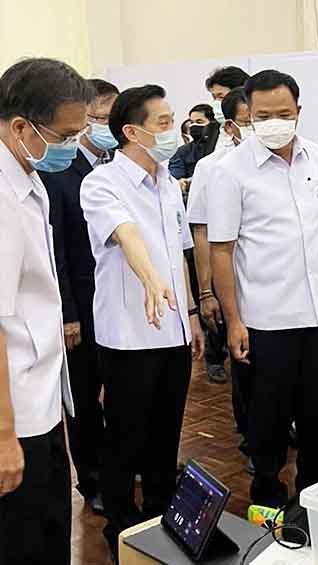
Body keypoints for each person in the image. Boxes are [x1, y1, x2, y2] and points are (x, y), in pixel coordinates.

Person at [208, 70, 318, 508]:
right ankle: (267, 494)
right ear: (248, 115)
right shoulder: (230, 171)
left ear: (298, 111)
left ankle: (313, 495)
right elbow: (222, 250)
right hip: (264, 319)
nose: (273, 123)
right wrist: (233, 320)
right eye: (262, 116)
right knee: (267, 416)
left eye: (283, 114)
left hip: (316, 315)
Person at [80, 84, 204, 558]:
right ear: (132, 132)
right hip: (130, 334)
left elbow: (178, 254)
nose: (174, 131)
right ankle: (121, 523)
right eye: (164, 123)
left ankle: (159, 512)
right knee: (125, 436)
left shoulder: (168, 181)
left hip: (173, 329)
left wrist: (190, 314)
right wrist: (151, 279)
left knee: (167, 431)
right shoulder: (103, 183)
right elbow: (127, 235)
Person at [0, 57, 91, 565]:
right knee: (25, 543)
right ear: (21, 128)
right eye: (65, 136)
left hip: (40, 401)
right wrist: (3, 439)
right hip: (15, 414)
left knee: (52, 529)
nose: (71, 147)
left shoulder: (27, 178)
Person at [37, 77, 119, 516]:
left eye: (112, 117)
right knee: (85, 398)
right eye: (99, 118)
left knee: (120, 392)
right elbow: (57, 249)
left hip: (116, 303)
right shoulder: (57, 171)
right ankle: (92, 478)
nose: (106, 126)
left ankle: (122, 466)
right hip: (80, 305)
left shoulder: (118, 164)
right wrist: (68, 313)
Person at [187, 87, 252, 388]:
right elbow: (201, 230)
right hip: (227, 271)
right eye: (249, 121)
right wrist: (205, 292)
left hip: (270, 285)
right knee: (241, 355)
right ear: (229, 126)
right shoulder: (211, 167)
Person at [204, 66, 250, 156]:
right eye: (214, 97)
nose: (216, 102)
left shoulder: (256, 128)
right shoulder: (211, 130)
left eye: (221, 96)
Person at [168, 102, 214, 185]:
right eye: (192, 122)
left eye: (199, 122)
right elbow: (175, 180)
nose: (194, 126)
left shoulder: (221, 145)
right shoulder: (181, 152)